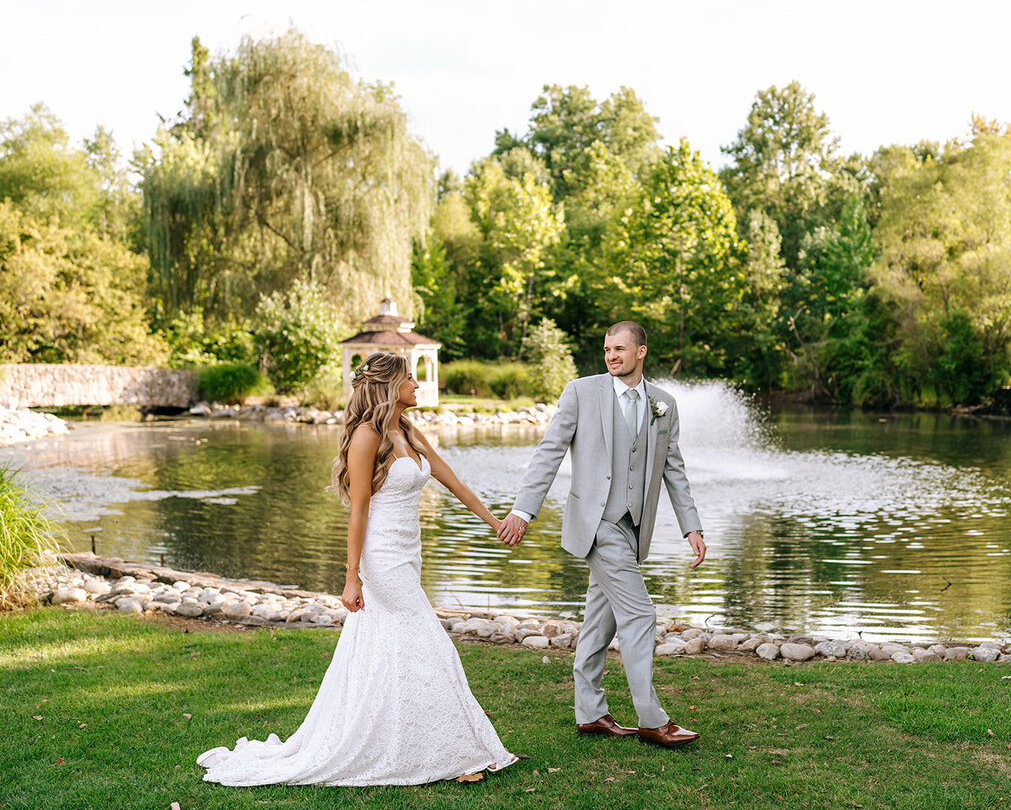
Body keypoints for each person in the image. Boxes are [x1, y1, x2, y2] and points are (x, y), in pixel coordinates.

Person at [198, 351, 517, 786]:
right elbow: (358, 510)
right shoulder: (367, 436)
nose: (417, 386)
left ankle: (407, 740)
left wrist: (495, 522)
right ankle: (455, 751)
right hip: (382, 558)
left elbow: (452, 480)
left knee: (387, 647)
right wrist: (352, 576)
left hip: (409, 553)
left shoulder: (405, 428)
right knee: (427, 641)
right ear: (390, 386)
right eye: (410, 379)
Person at [498, 320, 706, 748]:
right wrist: (523, 510)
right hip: (597, 525)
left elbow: (673, 469)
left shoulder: (663, 404)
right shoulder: (581, 391)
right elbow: (549, 451)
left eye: (620, 349)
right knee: (641, 614)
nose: (611, 356)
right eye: (607, 349)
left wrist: (692, 526)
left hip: (633, 528)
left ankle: (590, 713)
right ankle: (652, 719)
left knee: (600, 621)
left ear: (641, 352)